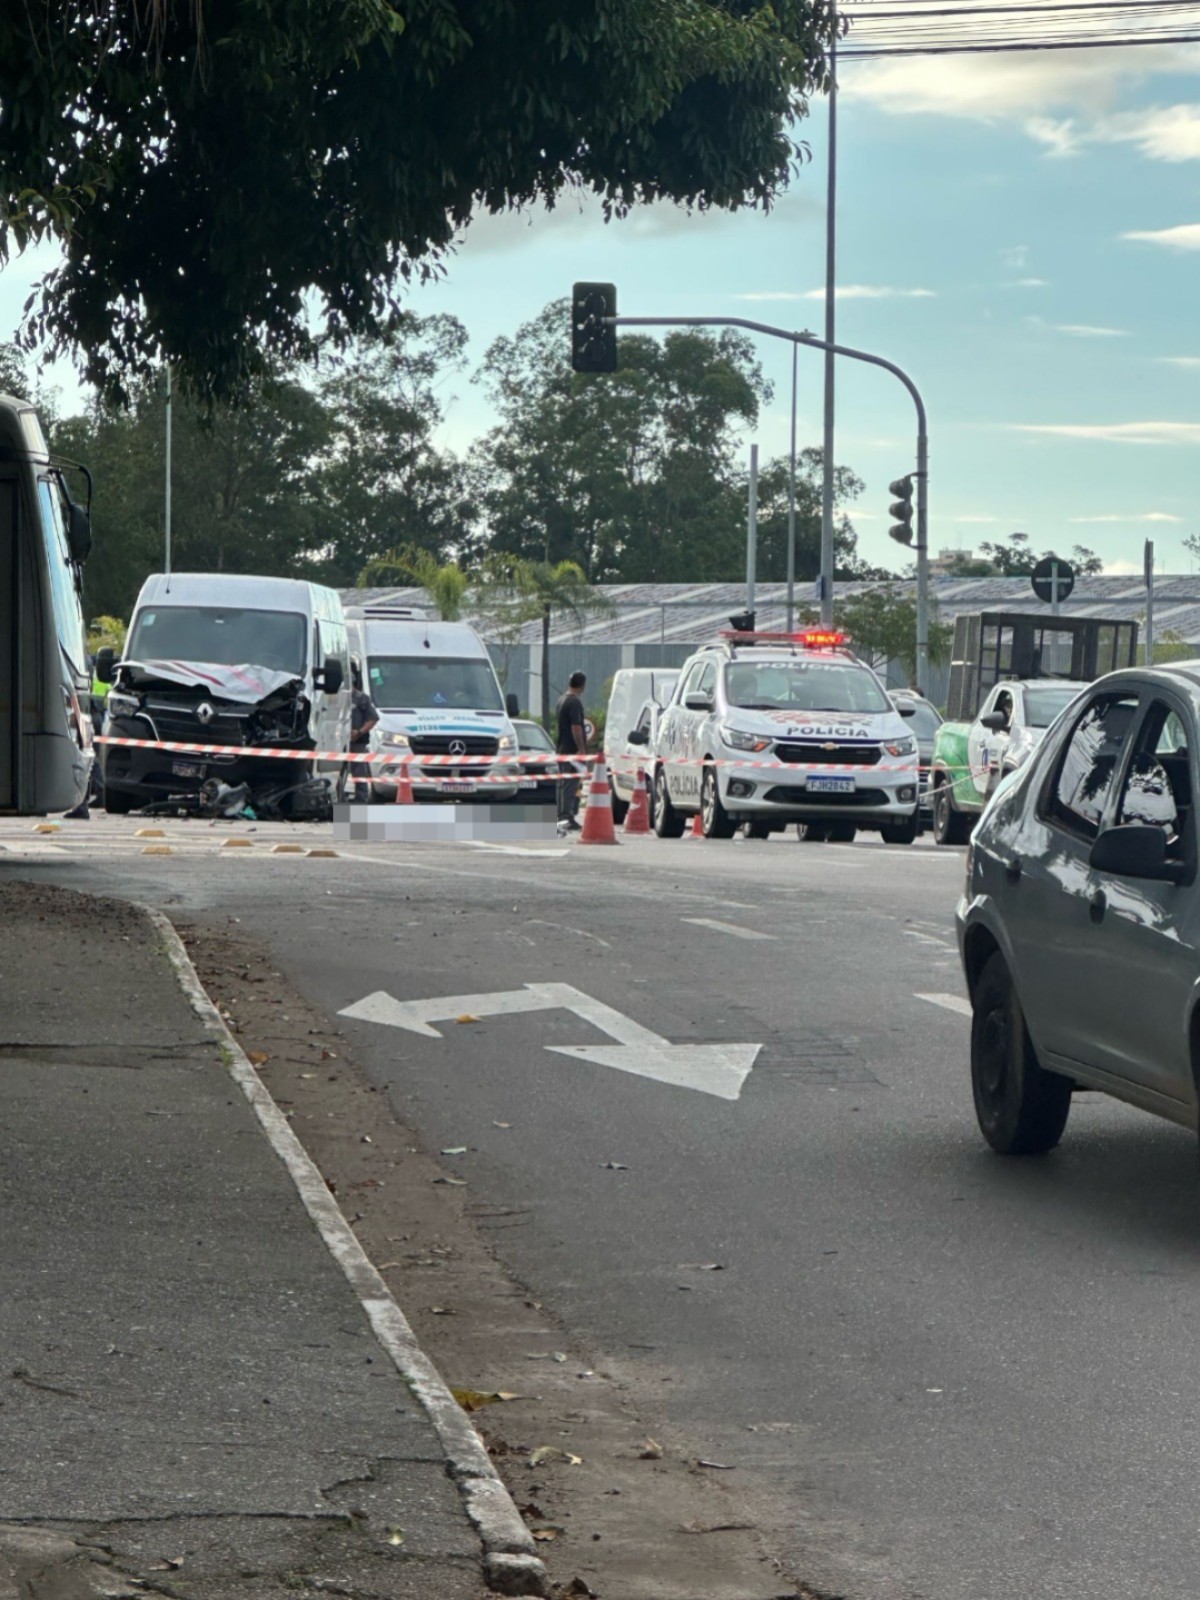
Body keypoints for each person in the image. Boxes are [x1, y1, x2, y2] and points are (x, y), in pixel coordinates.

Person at [555, 670, 588, 832]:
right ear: (582, 685)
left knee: (562, 785)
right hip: (572, 752)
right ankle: (566, 816)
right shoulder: (574, 703)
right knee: (570, 785)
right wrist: (581, 749)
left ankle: (561, 815)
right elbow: (576, 727)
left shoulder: (561, 700)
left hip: (561, 749)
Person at [349, 660, 380, 804]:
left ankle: (361, 799)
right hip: (338, 741)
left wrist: (359, 732)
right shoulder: (337, 697)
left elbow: (373, 718)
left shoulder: (361, 698)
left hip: (357, 742)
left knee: (359, 771)